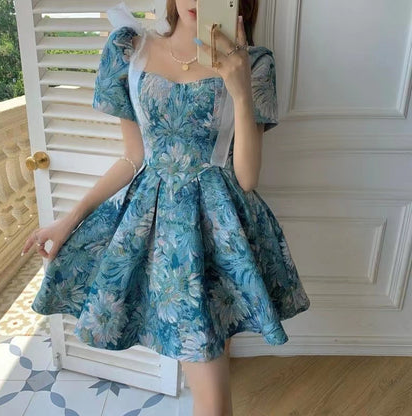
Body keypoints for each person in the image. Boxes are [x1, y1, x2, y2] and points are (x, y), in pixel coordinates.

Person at [22, 0, 311, 414]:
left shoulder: (254, 62)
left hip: (222, 232)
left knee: (212, 384)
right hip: (158, 236)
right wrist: (68, 220)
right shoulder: (131, 50)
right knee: (211, 389)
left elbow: (247, 177)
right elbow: (132, 158)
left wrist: (240, 88)